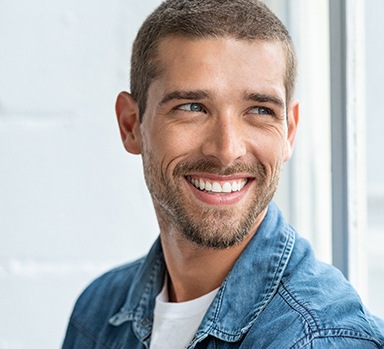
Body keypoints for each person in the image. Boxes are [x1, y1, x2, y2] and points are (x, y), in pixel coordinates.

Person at [62, 0, 384, 348]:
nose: (227, 150)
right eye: (191, 108)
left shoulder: (316, 338)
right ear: (131, 125)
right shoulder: (96, 313)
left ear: (289, 132)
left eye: (259, 110)